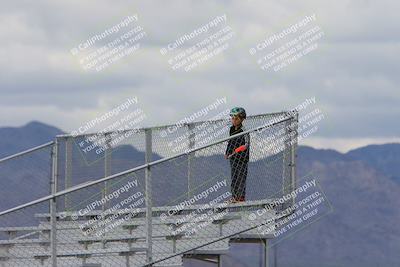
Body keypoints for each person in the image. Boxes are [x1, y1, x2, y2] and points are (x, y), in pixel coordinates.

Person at [225, 107, 250, 203]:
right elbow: (230, 141)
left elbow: (246, 144)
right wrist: (227, 152)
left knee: (241, 178)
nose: (234, 121)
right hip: (233, 159)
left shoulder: (244, 130)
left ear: (242, 119)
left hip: (242, 159)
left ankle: (241, 197)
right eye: (232, 118)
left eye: (236, 119)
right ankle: (234, 197)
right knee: (234, 178)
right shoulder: (231, 129)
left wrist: (237, 150)